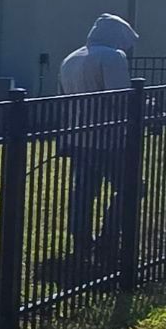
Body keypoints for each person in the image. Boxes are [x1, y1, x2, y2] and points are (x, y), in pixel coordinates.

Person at [56, 13, 138, 266]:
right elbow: (121, 98)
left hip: (77, 136)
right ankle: (109, 238)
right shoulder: (113, 57)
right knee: (132, 187)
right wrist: (143, 106)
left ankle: (81, 242)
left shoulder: (71, 58)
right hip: (107, 138)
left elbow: (60, 99)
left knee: (83, 192)